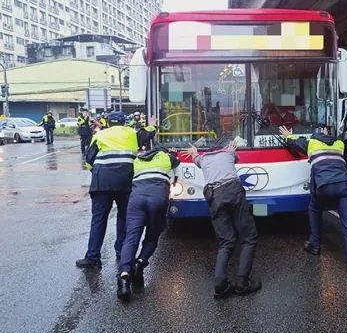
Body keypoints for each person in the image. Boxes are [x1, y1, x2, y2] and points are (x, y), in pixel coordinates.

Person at [279, 125, 347, 282]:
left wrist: (288, 135)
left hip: (324, 186)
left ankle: (314, 244)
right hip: (345, 185)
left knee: (314, 207)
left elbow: (295, 143)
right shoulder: (340, 144)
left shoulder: (312, 143)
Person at [181, 137, 261, 299]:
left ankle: (220, 285)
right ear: (224, 147)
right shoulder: (228, 154)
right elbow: (235, 156)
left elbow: (195, 158)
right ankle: (242, 282)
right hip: (233, 191)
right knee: (248, 238)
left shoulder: (203, 159)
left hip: (214, 196)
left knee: (226, 241)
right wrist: (231, 150)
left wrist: (195, 152)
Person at [117, 144, 180, 301]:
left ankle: (124, 278)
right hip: (157, 198)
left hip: (136, 199)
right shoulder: (167, 158)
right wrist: (172, 154)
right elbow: (177, 162)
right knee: (152, 236)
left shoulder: (138, 160)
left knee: (131, 238)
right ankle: (140, 262)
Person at [76, 111, 139, 269]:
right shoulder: (132, 133)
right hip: (125, 181)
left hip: (102, 182)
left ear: (108, 122)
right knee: (124, 217)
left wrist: (98, 172)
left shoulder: (100, 135)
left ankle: (93, 257)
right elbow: (148, 135)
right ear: (124, 122)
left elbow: (89, 160)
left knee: (99, 219)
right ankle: (122, 252)